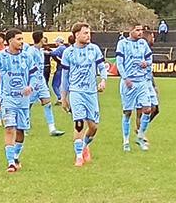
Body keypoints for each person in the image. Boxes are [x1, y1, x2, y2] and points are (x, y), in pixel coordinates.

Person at [0, 28, 40, 173]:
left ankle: (15, 156)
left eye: (22, 39)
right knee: (10, 128)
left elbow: (35, 75)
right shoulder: (0, 57)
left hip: (23, 100)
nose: (21, 42)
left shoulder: (27, 57)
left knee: (21, 131)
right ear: (10, 40)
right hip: (7, 99)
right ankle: (10, 162)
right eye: (19, 39)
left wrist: (30, 86)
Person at [60, 21, 107, 166]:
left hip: (91, 93)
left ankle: (85, 145)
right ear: (76, 35)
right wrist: (63, 97)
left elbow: (102, 67)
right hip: (76, 92)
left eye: (89, 33)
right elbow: (64, 77)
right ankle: (79, 156)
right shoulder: (68, 53)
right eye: (85, 33)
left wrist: (103, 80)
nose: (88, 35)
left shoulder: (94, 49)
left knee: (93, 127)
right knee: (79, 123)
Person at [115, 24, 153, 152]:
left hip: (141, 81)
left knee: (147, 109)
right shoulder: (123, 44)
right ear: (130, 31)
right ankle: (125, 141)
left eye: (141, 30)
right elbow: (119, 63)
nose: (140, 32)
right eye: (137, 30)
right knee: (127, 112)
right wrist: (125, 78)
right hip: (129, 82)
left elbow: (150, 58)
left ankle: (140, 136)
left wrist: (146, 63)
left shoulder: (143, 43)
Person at [25, 30, 66, 137]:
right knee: (27, 105)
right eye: (43, 37)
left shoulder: (40, 51)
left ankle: (52, 129)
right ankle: (24, 128)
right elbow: (27, 67)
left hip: (41, 81)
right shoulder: (31, 51)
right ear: (39, 38)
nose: (45, 39)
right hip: (32, 82)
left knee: (47, 103)